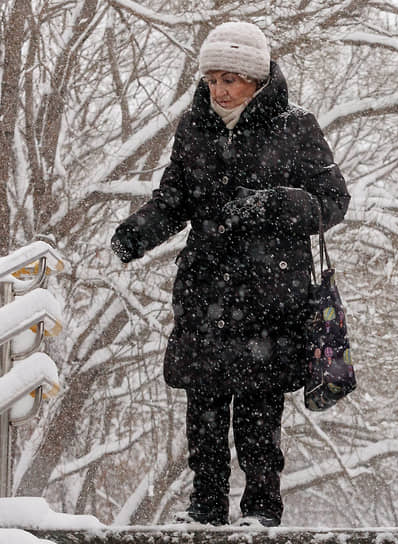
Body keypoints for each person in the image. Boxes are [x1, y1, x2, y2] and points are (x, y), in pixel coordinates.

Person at [110, 21, 350, 527]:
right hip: (206, 291)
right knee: (205, 413)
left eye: (229, 79)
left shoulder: (296, 126)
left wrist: (275, 205)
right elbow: (175, 199)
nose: (217, 90)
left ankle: (261, 513)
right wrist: (135, 234)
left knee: (260, 417)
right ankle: (205, 511)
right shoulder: (194, 126)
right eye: (211, 78)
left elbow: (333, 202)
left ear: (257, 80)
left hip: (271, 295)